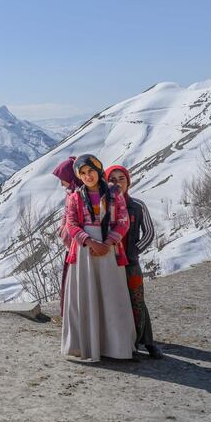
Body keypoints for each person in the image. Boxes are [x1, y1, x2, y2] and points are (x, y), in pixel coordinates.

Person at [61, 154, 136, 361]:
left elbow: (123, 221)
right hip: (85, 251)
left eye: (90, 171)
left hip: (109, 250)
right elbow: (71, 224)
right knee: (87, 296)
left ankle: (115, 347)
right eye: (82, 173)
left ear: (98, 170)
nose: (87, 176)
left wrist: (108, 242)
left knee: (111, 296)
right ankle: (87, 346)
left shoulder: (114, 194)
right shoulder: (75, 197)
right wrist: (91, 242)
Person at [105, 165, 162, 359]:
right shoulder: (102, 206)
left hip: (130, 263)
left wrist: (134, 251)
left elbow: (149, 233)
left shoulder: (137, 206)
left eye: (122, 178)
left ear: (128, 181)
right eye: (112, 179)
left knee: (137, 301)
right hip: (108, 263)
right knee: (114, 302)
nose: (117, 182)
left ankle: (147, 341)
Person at [52, 156, 79, 315]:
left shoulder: (77, 194)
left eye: (63, 179)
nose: (62, 183)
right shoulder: (71, 192)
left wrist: (65, 232)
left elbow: (71, 220)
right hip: (71, 244)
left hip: (75, 246)